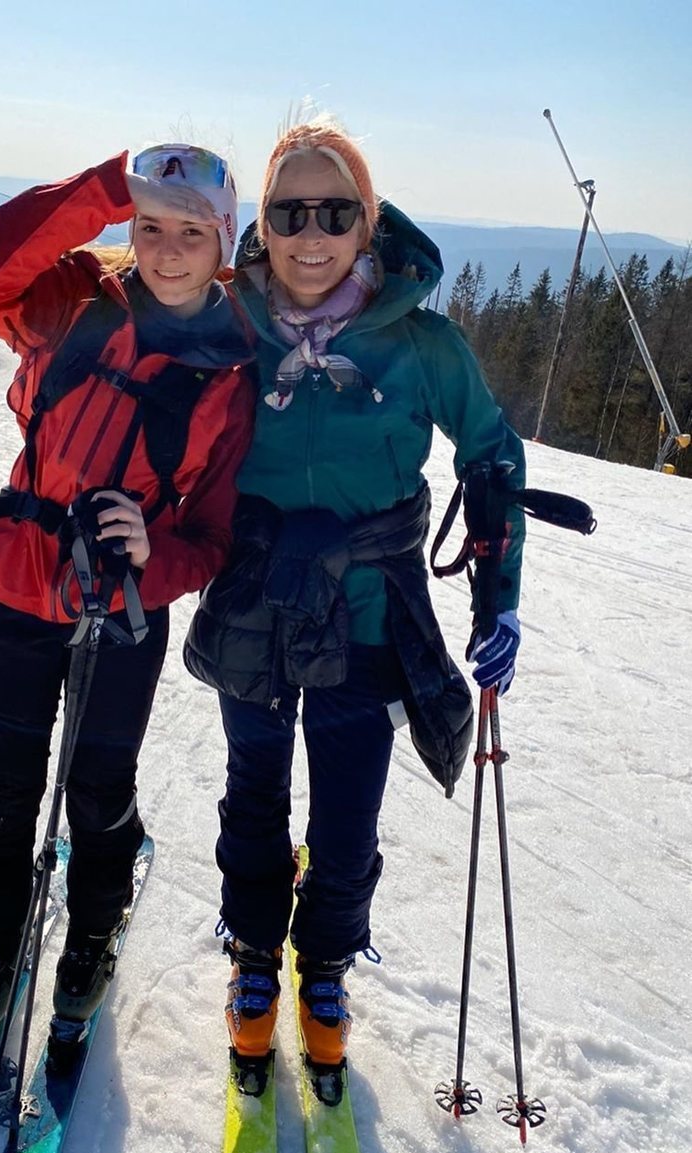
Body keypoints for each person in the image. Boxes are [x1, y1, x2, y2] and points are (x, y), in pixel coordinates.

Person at [184, 118, 526, 1098]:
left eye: (333, 211)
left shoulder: (420, 342)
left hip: (368, 607)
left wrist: (496, 602)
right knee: (253, 785)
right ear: (261, 223)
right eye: (287, 211)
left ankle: (321, 966)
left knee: (343, 814)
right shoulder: (227, 323)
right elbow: (155, 417)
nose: (308, 233)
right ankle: (255, 952)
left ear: (366, 221)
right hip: (251, 594)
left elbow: (490, 453)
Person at [0, 144, 255, 1054]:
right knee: (1, 788)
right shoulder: (72, 297)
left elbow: (215, 538)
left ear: (222, 244)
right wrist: (103, 188)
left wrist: (151, 561)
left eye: (190, 233)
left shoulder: (230, 379)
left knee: (98, 787)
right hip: (13, 586)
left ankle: (89, 934)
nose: (165, 250)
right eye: (150, 225)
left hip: (123, 611)